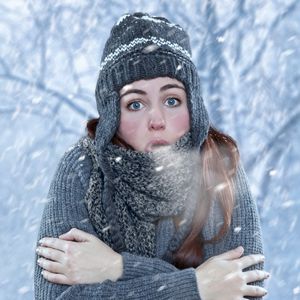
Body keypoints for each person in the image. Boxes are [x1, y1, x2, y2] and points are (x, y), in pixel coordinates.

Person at [34, 12, 269, 299]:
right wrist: (197, 287)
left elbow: (243, 291)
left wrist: (116, 267)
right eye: (135, 104)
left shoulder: (219, 164)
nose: (156, 119)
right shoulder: (82, 168)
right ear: (111, 114)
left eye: (172, 100)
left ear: (192, 105)